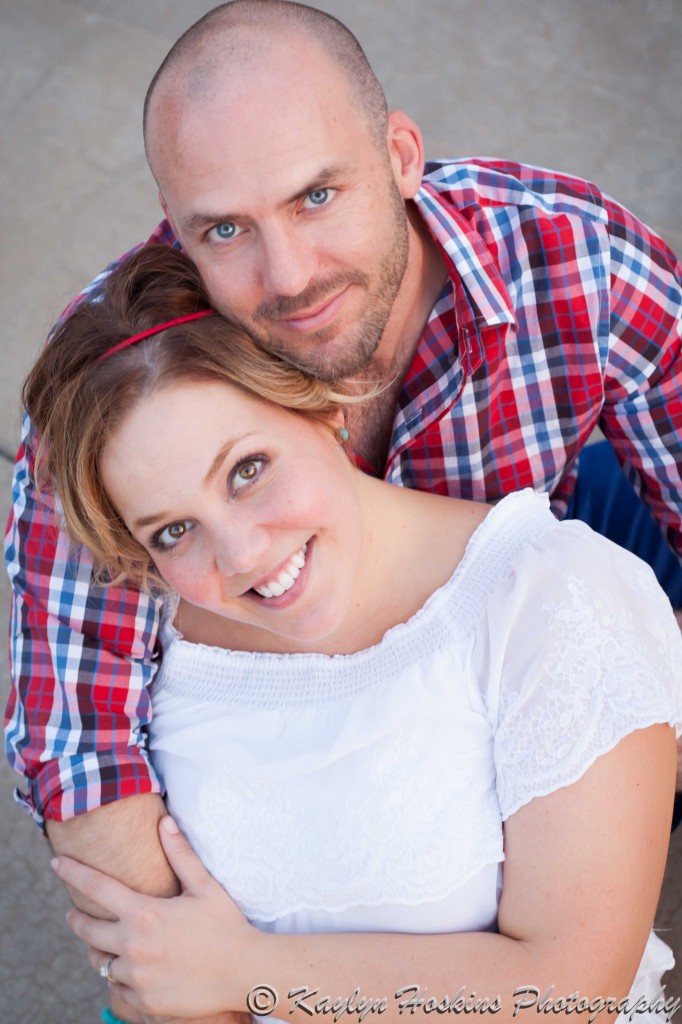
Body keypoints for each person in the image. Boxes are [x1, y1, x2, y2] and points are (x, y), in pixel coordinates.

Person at [4, 1, 682, 1018]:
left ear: (402, 155)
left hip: (546, 518)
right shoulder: (120, 390)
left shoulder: (573, 262)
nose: (288, 277)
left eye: (316, 194)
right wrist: (203, 977)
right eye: (224, 228)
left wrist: (615, 740)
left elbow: (565, 982)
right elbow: (77, 744)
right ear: (176, 227)